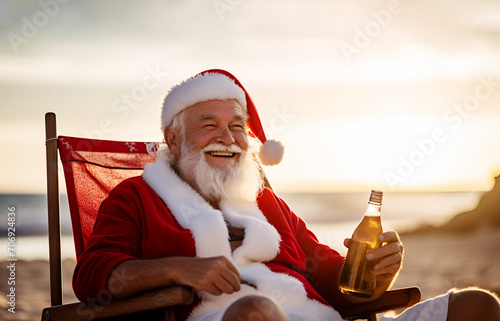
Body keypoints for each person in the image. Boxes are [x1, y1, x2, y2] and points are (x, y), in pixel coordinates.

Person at [73, 69, 500, 321]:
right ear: (173, 135)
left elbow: (328, 275)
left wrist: (370, 272)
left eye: (237, 126)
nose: (228, 138)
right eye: (209, 124)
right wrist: (179, 269)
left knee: (475, 305)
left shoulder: (264, 203)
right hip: (230, 318)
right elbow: (92, 277)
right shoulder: (137, 198)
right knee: (254, 312)